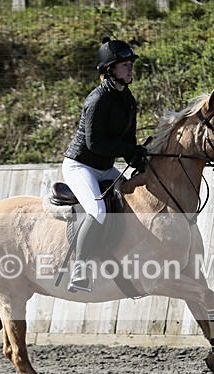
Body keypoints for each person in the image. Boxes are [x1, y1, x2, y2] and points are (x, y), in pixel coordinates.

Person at [61, 37, 148, 292]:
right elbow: (95, 144)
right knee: (98, 211)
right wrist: (127, 150)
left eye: (131, 64)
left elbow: (128, 140)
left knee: (133, 200)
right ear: (109, 69)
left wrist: (138, 157)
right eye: (124, 65)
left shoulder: (128, 99)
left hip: (104, 166)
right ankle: (80, 270)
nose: (130, 69)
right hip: (81, 166)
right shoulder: (98, 100)